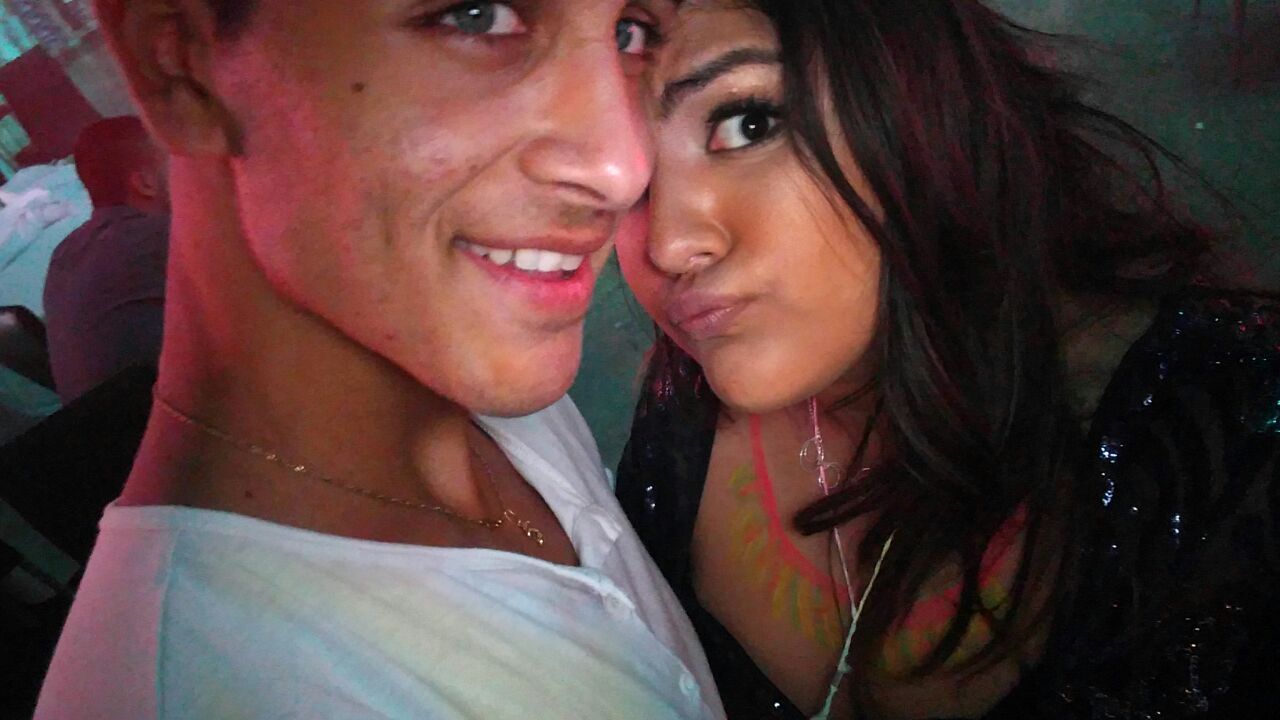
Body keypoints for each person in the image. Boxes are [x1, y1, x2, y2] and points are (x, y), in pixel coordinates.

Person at [36, 1, 724, 719]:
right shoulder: (203, 690)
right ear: (180, 67)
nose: (624, 168)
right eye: (477, 17)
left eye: (630, 33)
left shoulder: (467, 356)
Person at [615, 1, 1280, 718]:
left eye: (747, 124)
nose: (667, 245)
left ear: (919, 96)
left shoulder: (1233, 440)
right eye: (624, 180)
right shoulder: (678, 429)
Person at [42, 116, 170, 404]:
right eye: (180, 164)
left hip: (105, 428)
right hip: (163, 420)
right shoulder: (156, 238)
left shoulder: (64, 254)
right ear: (146, 183)